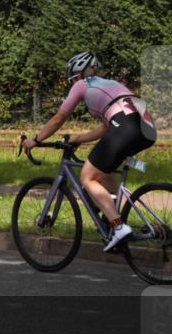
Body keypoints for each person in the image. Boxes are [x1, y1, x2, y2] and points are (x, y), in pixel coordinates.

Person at [24, 52, 156, 252]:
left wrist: (35, 140)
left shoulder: (82, 85)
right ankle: (112, 219)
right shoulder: (111, 84)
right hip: (146, 128)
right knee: (104, 170)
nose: (72, 84)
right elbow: (105, 128)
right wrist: (77, 139)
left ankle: (119, 227)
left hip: (124, 126)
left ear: (78, 75)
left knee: (87, 178)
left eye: (72, 80)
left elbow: (59, 118)